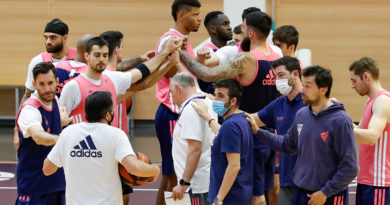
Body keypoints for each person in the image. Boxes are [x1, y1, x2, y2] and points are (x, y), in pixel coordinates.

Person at [179, 11, 282, 205]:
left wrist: (179, 54)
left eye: (242, 26)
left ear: (249, 32)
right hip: (270, 133)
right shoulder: (278, 56)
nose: (239, 29)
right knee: (267, 192)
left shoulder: (247, 60)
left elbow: (206, 74)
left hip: (247, 131)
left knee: (254, 196)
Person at [246, 65, 359, 205]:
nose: (302, 90)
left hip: (328, 196)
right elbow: (287, 144)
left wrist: (325, 192)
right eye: (303, 85)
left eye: (308, 86)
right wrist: (258, 131)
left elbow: (350, 167)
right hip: (300, 193)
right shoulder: (302, 115)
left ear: (323, 89)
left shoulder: (340, 121)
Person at [42, 91, 160, 205]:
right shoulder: (116, 135)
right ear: (108, 114)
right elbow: (134, 167)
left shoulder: (68, 132)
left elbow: (47, 169)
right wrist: (155, 170)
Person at [60, 36, 181, 127]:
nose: (101, 59)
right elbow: (59, 121)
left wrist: (166, 55)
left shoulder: (112, 78)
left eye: (105, 55)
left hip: (107, 147)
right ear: (87, 56)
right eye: (97, 55)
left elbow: (142, 72)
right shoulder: (73, 87)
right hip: (81, 152)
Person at [154, 1, 202, 204]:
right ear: (182, 16)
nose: (200, 19)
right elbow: (174, 72)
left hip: (179, 111)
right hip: (171, 111)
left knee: (169, 173)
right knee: (175, 173)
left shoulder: (183, 40)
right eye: (196, 14)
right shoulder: (170, 40)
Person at [247, 56, 305, 205]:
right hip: (286, 179)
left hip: (308, 181)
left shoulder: (310, 103)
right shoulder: (278, 104)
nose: (277, 81)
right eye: (275, 77)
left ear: (295, 74)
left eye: (281, 75)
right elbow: (252, 119)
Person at [14, 18, 76, 150]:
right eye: (46, 37)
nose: (48, 41)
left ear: (65, 38)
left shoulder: (79, 58)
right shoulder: (37, 61)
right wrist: (16, 130)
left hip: (75, 120)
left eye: (53, 37)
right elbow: (27, 95)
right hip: (48, 121)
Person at [15, 62, 72, 205]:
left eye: (50, 83)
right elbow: (39, 136)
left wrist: (61, 122)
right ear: (34, 84)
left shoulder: (55, 101)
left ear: (57, 82)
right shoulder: (30, 109)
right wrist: (64, 139)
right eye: (41, 84)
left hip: (57, 183)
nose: (47, 89)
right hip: (34, 187)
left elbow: (49, 125)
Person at [191, 79, 253, 205]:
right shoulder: (240, 120)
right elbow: (222, 133)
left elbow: (234, 166)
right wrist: (207, 116)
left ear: (233, 101)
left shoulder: (230, 126)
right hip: (240, 193)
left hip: (229, 197)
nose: (215, 100)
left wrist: (218, 199)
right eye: (215, 95)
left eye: (220, 96)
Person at [169, 73, 217, 205]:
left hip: (194, 186)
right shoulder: (206, 101)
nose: (171, 97)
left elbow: (195, 149)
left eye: (171, 92)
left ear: (178, 89)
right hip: (202, 181)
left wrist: (184, 182)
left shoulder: (191, 109)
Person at [349, 57, 390, 204]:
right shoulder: (371, 101)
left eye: (354, 81)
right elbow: (359, 132)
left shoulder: (383, 101)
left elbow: (371, 137)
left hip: (378, 183)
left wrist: (342, 126)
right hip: (366, 180)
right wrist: (338, 113)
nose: (352, 86)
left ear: (366, 76)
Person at [199, 10, 232, 94]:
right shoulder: (206, 53)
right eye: (225, 24)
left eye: (229, 24)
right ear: (213, 29)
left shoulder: (232, 49)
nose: (230, 27)